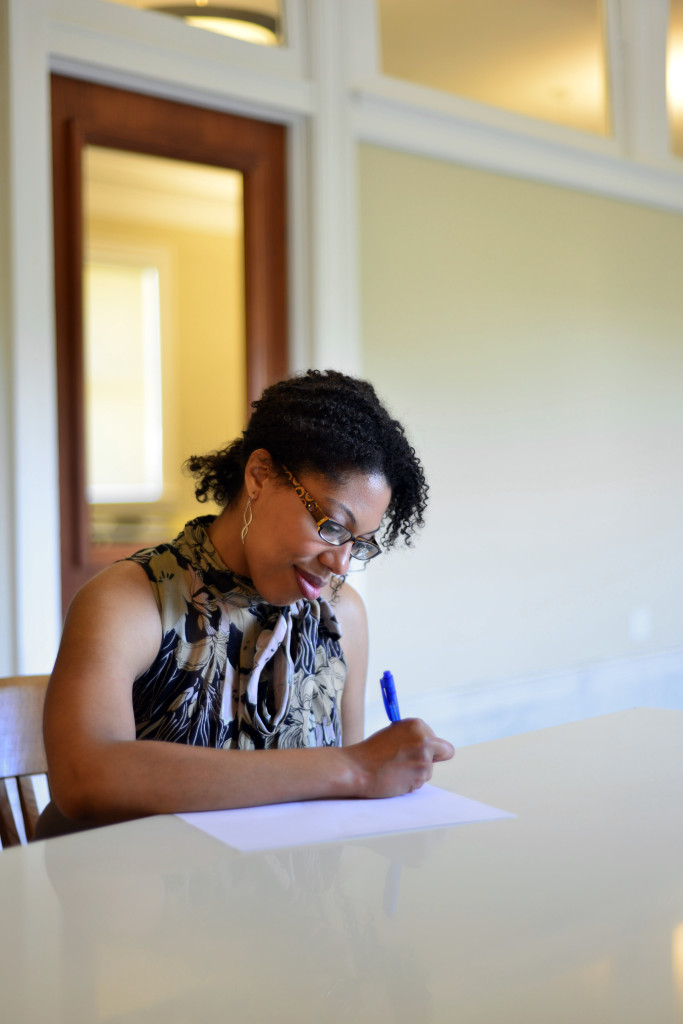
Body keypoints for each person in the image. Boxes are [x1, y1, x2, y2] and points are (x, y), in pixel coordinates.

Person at [37, 369, 454, 838]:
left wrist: (371, 781)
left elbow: (346, 808)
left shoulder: (343, 616)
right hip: (156, 901)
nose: (340, 563)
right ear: (259, 476)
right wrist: (352, 768)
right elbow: (83, 777)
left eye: (359, 543)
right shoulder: (129, 602)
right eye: (333, 527)